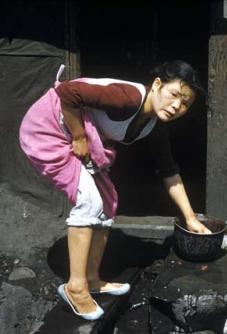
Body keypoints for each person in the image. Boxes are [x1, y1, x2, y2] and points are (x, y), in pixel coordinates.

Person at [19, 60, 211, 320]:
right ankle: (75, 287)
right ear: (157, 85)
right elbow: (67, 92)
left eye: (185, 103)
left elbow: (169, 171)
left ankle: (91, 278)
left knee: (107, 201)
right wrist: (78, 136)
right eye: (174, 94)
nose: (177, 106)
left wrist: (189, 218)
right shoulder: (128, 97)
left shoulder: (154, 127)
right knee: (89, 201)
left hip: (72, 135)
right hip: (46, 129)